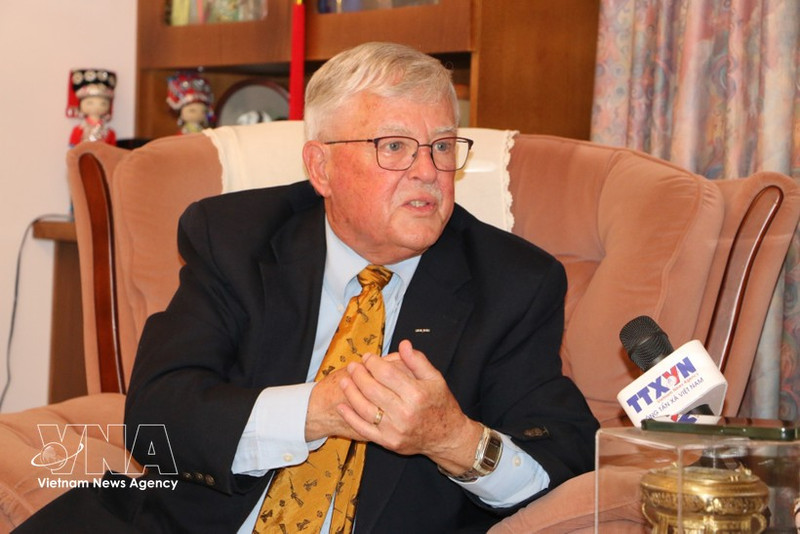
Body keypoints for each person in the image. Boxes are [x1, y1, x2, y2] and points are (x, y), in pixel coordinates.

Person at [17, 42, 598, 533]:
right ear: (321, 168)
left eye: (443, 146)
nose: (428, 171)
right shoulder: (235, 237)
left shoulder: (514, 282)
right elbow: (156, 419)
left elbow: (568, 463)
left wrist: (455, 440)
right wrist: (316, 411)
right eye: (394, 146)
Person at [67, 68, 117, 146]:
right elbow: (73, 148)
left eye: (103, 104)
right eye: (90, 103)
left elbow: (112, 151)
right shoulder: (78, 130)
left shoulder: (110, 133)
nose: (97, 107)